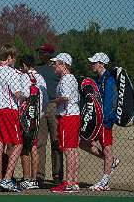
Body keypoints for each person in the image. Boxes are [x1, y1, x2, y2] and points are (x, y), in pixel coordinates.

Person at [0, 44, 25, 192]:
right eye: (13, 58)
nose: (14, 60)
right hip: (9, 111)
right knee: (18, 144)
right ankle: (7, 179)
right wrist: (27, 94)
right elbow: (17, 94)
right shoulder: (11, 72)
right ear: (9, 58)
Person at [80, 52, 120, 191]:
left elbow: (109, 103)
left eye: (94, 62)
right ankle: (112, 161)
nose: (92, 64)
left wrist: (105, 120)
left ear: (101, 64)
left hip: (105, 121)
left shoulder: (108, 80)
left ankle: (104, 182)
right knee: (83, 143)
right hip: (97, 121)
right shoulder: (98, 79)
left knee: (107, 149)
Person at [49, 53, 80, 193]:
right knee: (72, 149)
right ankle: (73, 182)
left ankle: (68, 182)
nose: (54, 66)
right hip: (71, 116)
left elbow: (66, 97)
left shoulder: (67, 78)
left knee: (69, 149)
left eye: (56, 63)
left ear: (63, 65)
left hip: (68, 117)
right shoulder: (68, 78)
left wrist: (54, 101)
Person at [18, 55, 48, 190]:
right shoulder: (40, 77)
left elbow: (24, 94)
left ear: (24, 65)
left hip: (25, 116)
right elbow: (45, 97)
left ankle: (26, 178)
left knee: (24, 147)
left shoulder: (24, 77)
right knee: (34, 146)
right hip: (37, 116)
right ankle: (35, 179)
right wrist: (40, 112)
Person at [35, 44, 63, 186]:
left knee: (56, 141)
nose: (40, 55)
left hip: (54, 105)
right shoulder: (36, 69)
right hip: (41, 106)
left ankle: (57, 174)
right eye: (39, 52)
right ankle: (39, 175)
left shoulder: (56, 69)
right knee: (40, 142)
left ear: (50, 54)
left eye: (43, 52)